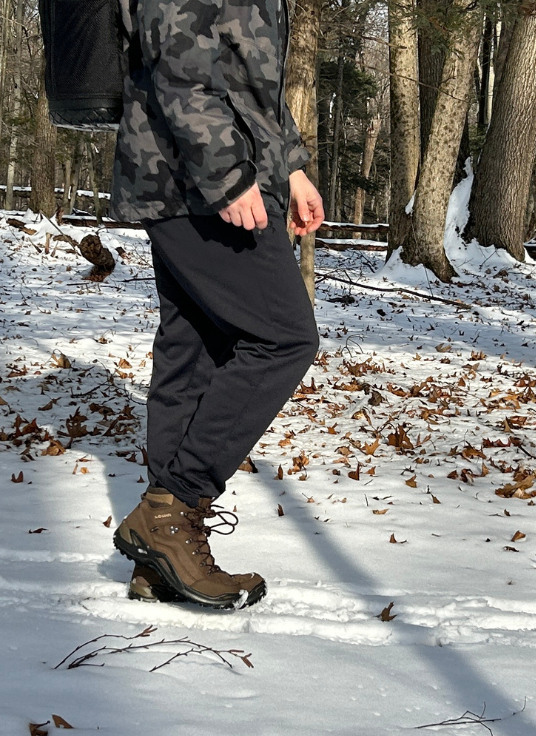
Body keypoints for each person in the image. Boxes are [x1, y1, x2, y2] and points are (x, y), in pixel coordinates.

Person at [107, 0, 324, 609]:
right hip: (192, 178)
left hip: (196, 177)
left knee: (193, 350)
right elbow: (180, 68)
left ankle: (162, 557)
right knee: (284, 338)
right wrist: (228, 173)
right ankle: (172, 508)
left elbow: (249, 76)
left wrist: (293, 169)